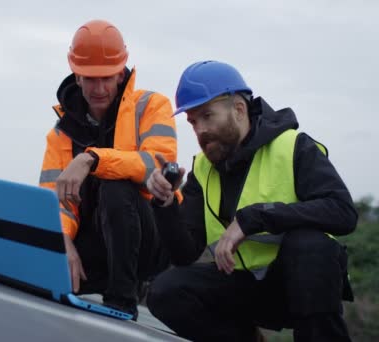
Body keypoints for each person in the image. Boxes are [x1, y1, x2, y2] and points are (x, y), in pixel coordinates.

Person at [145, 60, 357, 341]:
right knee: (165, 291)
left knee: (310, 244)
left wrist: (252, 218)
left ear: (239, 109)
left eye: (208, 116)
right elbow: (184, 253)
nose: (201, 130)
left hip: (303, 287)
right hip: (245, 288)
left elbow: (342, 212)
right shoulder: (203, 169)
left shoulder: (293, 146)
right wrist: (166, 203)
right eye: (193, 121)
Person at [38, 19, 179, 318]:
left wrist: (91, 159)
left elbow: (155, 164)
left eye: (107, 77)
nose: (99, 88)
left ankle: (121, 301)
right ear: (76, 75)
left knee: (116, 188)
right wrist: (61, 241)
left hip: (151, 240)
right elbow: (54, 197)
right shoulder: (61, 133)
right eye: (90, 78)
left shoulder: (152, 106)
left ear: (121, 72)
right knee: (42, 276)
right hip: (98, 242)